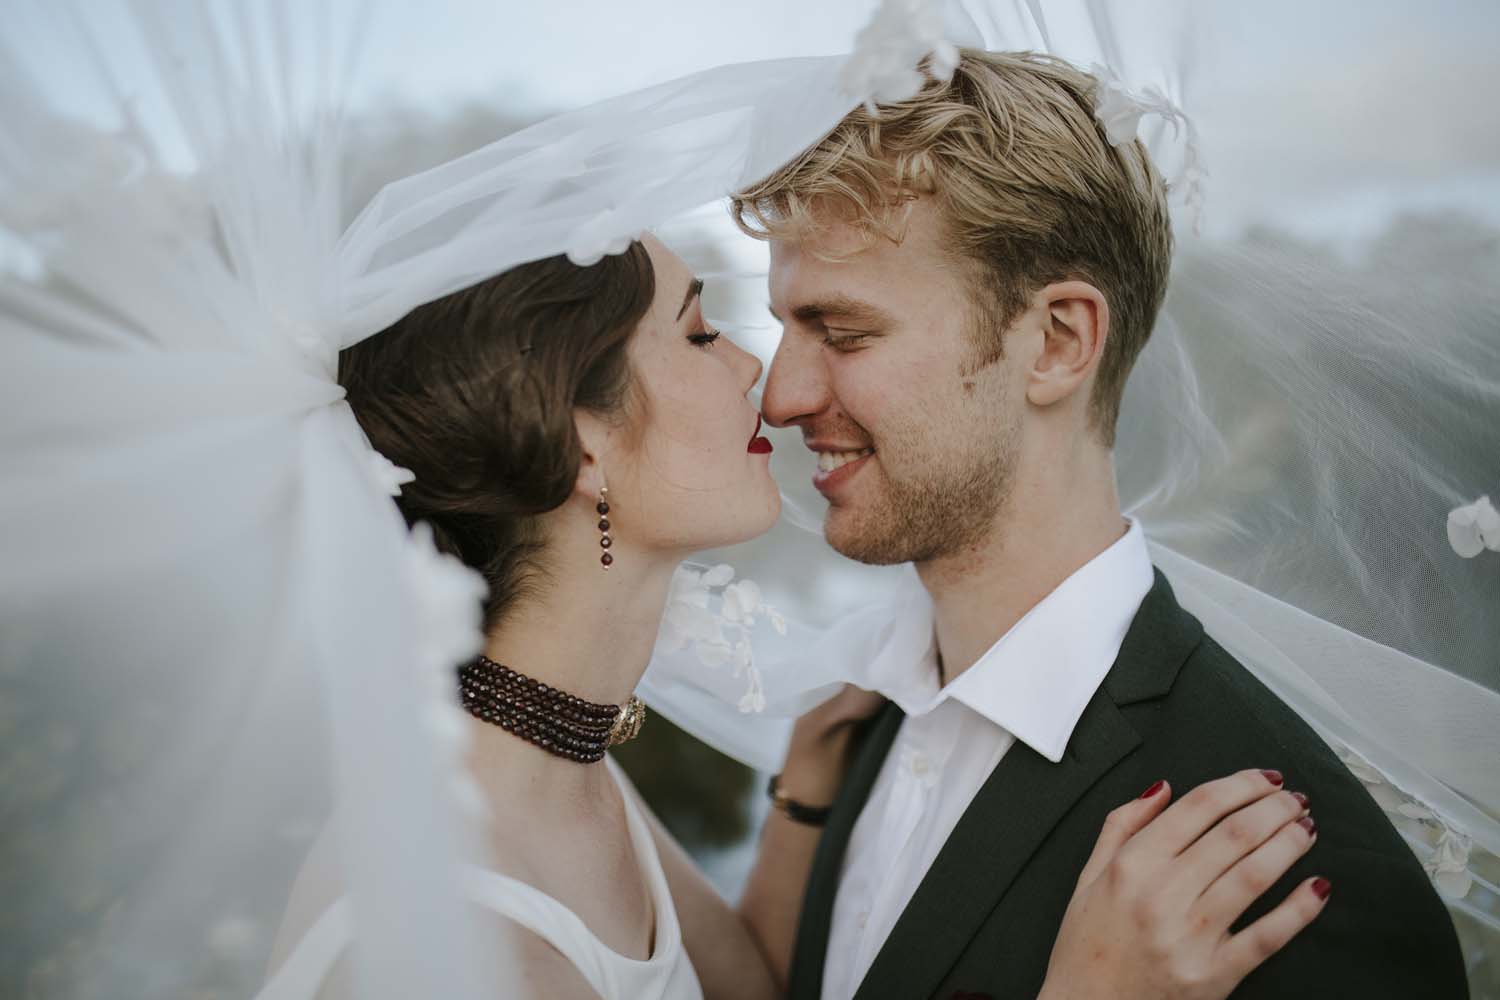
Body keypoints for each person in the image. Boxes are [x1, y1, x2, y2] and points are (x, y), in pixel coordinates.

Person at [266, 237, 1329, 999]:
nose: (762, 382)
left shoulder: (560, 769)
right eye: (697, 332)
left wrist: (808, 790)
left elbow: (748, 987)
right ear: (579, 441)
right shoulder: (462, 942)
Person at [724, 50, 1469, 999]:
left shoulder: (1276, 874)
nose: (781, 396)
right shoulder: (852, 729)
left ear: (1058, 342)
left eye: (846, 332)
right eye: (784, 326)